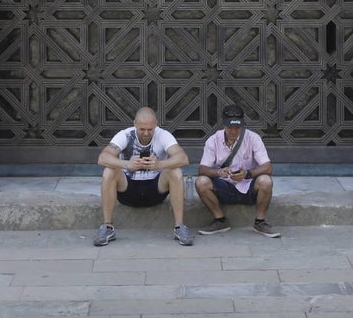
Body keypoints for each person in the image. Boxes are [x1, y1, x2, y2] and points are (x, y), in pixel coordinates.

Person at [94, 107, 193, 247]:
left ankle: (180, 227)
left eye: (150, 129)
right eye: (142, 129)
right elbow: (102, 158)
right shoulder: (125, 135)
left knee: (175, 171)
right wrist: (127, 164)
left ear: (156, 124)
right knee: (109, 171)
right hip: (127, 188)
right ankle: (107, 227)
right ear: (135, 123)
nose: (146, 133)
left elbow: (183, 158)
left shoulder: (163, 135)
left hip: (155, 189)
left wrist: (159, 164)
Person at [195, 104, 279, 238]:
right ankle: (220, 220)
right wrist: (218, 173)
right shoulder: (213, 140)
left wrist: (248, 174)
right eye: (230, 128)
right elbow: (202, 169)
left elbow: (268, 167)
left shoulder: (253, 138)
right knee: (201, 182)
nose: (233, 131)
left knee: (266, 181)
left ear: (242, 126)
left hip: (249, 187)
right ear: (224, 125)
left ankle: (260, 222)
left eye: (237, 128)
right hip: (224, 187)